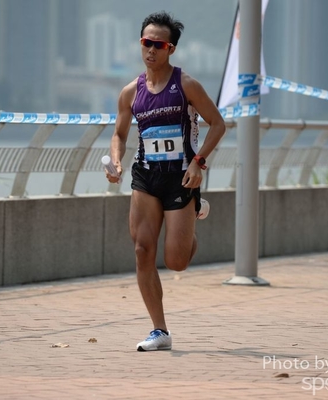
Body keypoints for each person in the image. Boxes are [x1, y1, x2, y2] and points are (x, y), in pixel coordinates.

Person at [105, 11, 226, 351]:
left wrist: (199, 162)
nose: (151, 50)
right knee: (142, 249)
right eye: (146, 42)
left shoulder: (186, 85)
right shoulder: (130, 92)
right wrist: (116, 161)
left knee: (176, 262)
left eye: (158, 45)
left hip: (181, 178)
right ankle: (160, 330)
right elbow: (119, 134)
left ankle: (192, 217)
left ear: (170, 49)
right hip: (145, 176)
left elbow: (218, 124)